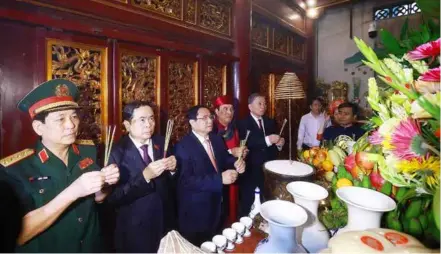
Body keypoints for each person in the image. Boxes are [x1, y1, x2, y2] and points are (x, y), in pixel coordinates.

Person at [0, 79, 120, 252]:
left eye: (73, 116)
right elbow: (18, 235)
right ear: (39, 127)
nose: (71, 125)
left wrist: (105, 183)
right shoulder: (14, 169)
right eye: (60, 119)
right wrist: (73, 191)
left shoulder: (88, 151)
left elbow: (98, 198)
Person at [106, 101, 177, 253]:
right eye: (142, 120)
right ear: (127, 125)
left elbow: (172, 183)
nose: (149, 124)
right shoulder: (116, 152)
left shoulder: (161, 142)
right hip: (135, 228)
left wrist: (173, 169)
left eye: (151, 118)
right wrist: (144, 177)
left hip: (165, 221)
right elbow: (113, 198)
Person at [175, 105, 245, 246]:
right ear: (192, 122)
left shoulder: (216, 139)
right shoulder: (182, 147)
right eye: (204, 118)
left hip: (217, 205)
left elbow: (225, 159)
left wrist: (237, 163)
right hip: (196, 212)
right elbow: (186, 181)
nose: (210, 121)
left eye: (211, 117)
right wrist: (220, 179)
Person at [237, 93, 284, 217]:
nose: (263, 106)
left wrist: (279, 143)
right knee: (249, 202)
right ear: (250, 106)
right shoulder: (242, 123)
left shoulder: (270, 121)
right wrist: (269, 140)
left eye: (264, 103)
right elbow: (249, 143)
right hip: (251, 169)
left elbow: (274, 145)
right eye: (259, 103)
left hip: (268, 169)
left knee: (267, 198)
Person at [212, 95, 248, 225]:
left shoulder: (234, 129)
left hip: (235, 172)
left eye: (231, 109)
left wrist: (242, 153)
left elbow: (237, 149)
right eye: (225, 109)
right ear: (216, 111)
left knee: (235, 206)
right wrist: (231, 152)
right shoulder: (212, 130)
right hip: (219, 175)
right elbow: (212, 154)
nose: (229, 112)